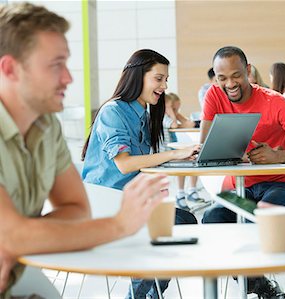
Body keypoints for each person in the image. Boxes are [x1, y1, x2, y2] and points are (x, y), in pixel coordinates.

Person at [0, 3, 169, 299]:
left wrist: (22, 237)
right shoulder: (113, 111)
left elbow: (78, 210)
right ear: (10, 69)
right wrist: (118, 225)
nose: (69, 78)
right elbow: (13, 234)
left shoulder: (47, 127)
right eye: (55, 65)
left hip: (15, 276)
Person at [201, 46, 285, 299]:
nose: (229, 84)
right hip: (239, 187)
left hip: (283, 184)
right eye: (221, 77)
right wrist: (229, 154)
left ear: (248, 71)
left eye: (236, 75)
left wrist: (278, 156)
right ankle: (259, 285)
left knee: (261, 216)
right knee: (213, 220)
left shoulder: (274, 101)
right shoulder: (214, 96)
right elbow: (206, 150)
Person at [81, 50, 199, 299]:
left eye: (166, 79)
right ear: (138, 76)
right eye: (159, 79)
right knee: (178, 224)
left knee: (185, 221)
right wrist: (173, 155)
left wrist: (179, 158)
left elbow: (143, 163)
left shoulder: (143, 113)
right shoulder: (114, 111)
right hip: (107, 204)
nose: (164, 86)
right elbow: (125, 164)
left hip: (129, 201)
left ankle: (147, 295)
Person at [163, 92, 205, 210]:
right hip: (165, 152)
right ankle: (181, 194)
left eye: (177, 109)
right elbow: (175, 125)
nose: (175, 112)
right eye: (173, 108)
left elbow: (189, 124)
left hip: (171, 149)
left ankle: (190, 191)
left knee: (192, 158)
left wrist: (174, 112)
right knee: (185, 162)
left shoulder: (169, 117)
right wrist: (170, 111)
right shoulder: (163, 116)